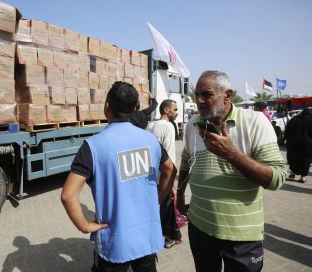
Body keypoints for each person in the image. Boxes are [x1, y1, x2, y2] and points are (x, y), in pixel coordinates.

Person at [176, 71, 286, 272]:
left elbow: (277, 178)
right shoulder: (193, 123)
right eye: (197, 94)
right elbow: (186, 159)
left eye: (207, 94)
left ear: (227, 95)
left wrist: (231, 153)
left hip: (241, 236)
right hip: (199, 226)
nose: (199, 101)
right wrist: (180, 193)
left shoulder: (255, 122)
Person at [61, 81, 176, 272]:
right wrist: (158, 197)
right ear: (136, 108)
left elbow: (68, 195)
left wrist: (85, 226)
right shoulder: (150, 140)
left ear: (107, 106)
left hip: (115, 241)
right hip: (147, 237)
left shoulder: (93, 146)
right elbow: (170, 170)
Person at [147, 99, 182, 248]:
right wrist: (171, 183)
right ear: (166, 110)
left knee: (155, 206)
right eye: (174, 109)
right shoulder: (168, 126)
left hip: (150, 175)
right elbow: (169, 156)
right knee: (166, 207)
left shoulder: (150, 125)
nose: (177, 112)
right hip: (163, 176)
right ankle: (168, 238)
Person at [285, 107, 312, 183]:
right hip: (307, 145)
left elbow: (287, 130)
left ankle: (292, 173)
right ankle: (303, 177)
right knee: (305, 160)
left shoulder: (294, 119)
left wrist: (286, 138)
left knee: (293, 158)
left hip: (293, 143)